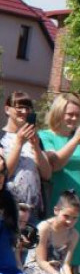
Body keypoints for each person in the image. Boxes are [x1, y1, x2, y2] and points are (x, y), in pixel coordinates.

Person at [0, 91, 50, 213]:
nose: (25, 112)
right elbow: (2, 174)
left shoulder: (35, 139)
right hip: (7, 207)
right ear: (7, 109)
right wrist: (19, 143)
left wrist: (36, 147)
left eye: (28, 108)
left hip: (33, 208)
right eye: (19, 107)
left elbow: (47, 174)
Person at [26, 191, 80, 274]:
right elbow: (41, 261)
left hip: (57, 271)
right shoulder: (44, 227)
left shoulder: (74, 235)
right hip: (37, 269)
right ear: (56, 210)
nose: (70, 222)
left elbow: (65, 264)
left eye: (74, 218)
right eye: (66, 216)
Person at [39, 92, 80, 235]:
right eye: (70, 114)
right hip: (59, 205)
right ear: (58, 113)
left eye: (77, 115)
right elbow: (55, 165)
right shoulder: (45, 136)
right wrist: (75, 140)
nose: (74, 118)